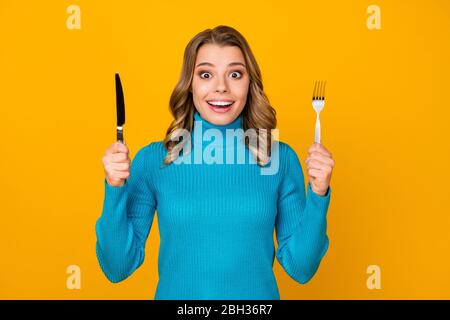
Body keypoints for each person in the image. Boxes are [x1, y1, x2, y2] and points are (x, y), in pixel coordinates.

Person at [96, 25, 335, 300]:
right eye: (206, 74)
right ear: (190, 84)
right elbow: (117, 267)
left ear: (250, 83)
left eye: (235, 74)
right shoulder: (154, 161)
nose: (221, 87)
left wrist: (318, 193)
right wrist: (114, 189)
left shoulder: (279, 159)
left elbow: (301, 268)